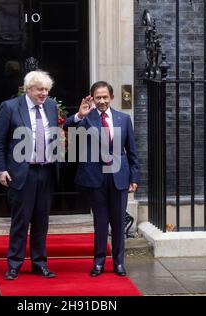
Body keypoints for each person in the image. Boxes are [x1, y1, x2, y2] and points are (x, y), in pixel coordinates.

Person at [63, 81, 139, 277]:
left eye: (105, 97)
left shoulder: (123, 118)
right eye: (98, 97)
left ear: (111, 97)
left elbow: (132, 151)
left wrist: (134, 177)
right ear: (93, 99)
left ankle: (119, 262)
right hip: (95, 177)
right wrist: (80, 114)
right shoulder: (87, 118)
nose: (102, 101)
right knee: (101, 222)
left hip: (118, 177)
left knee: (119, 222)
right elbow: (68, 126)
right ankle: (98, 263)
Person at [0, 70, 58, 280]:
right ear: (28, 89)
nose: (44, 93)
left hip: (46, 171)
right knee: (20, 220)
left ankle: (39, 263)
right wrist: (0, 169)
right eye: (40, 89)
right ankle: (14, 264)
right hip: (23, 172)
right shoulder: (10, 107)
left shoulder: (51, 106)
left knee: (41, 221)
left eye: (47, 89)